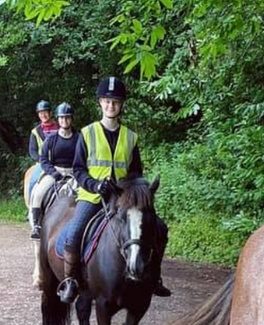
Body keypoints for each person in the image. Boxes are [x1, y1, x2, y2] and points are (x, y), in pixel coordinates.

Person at [58, 76, 171, 303]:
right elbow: (79, 170)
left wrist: (136, 190)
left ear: (122, 105)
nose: (111, 106)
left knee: (159, 228)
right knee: (75, 231)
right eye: (107, 101)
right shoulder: (87, 133)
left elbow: (136, 172)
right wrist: (95, 185)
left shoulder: (130, 137)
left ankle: (154, 278)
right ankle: (70, 281)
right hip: (92, 196)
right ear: (100, 102)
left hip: (123, 199)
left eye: (116, 102)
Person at [30, 102, 79, 239]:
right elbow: (44, 159)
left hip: (74, 174)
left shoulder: (79, 138)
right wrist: (53, 173)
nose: (64, 120)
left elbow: (83, 158)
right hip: (55, 172)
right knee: (39, 193)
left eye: (67, 117)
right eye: (62, 118)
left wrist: (77, 173)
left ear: (71, 119)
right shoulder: (51, 139)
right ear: (58, 119)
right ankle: (36, 225)